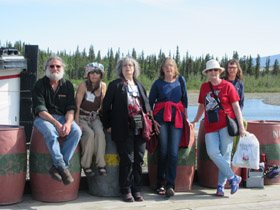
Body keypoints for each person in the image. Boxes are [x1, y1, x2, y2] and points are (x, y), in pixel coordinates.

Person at [190, 59, 246, 196]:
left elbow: (236, 107)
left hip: (226, 125)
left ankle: (220, 186)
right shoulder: (204, 87)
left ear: (220, 71)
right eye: (210, 70)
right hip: (210, 126)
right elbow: (202, 106)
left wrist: (241, 127)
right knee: (213, 152)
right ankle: (234, 178)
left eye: (215, 70)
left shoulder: (228, 86)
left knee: (226, 155)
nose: (213, 72)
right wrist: (196, 120)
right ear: (207, 73)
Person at [101, 56, 151, 202]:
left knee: (139, 159)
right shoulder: (115, 84)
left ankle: (137, 189)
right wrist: (108, 125)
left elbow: (146, 106)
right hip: (123, 128)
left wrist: (149, 123)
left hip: (140, 127)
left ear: (135, 68)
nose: (128, 68)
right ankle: (126, 190)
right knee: (127, 159)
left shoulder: (139, 85)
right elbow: (106, 107)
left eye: (130, 65)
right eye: (124, 66)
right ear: (120, 69)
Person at [32, 55, 82, 185]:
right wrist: (56, 123)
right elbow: (40, 110)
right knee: (50, 132)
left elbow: (70, 109)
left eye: (58, 66)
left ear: (62, 68)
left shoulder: (68, 85)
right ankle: (62, 166)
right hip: (43, 118)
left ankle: (57, 167)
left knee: (77, 131)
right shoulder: (39, 85)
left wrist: (69, 123)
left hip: (62, 117)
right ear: (46, 68)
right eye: (52, 66)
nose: (55, 68)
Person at [149, 57, 188, 197]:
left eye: (171, 65)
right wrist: (153, 121)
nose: (168, 68)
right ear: (162, 69)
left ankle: (170, 184)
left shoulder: (181, 81)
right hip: (161, 120)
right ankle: (160, 183)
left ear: (175, 68)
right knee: (163, 151)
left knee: (173, 152)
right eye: (166, 66)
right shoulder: (157, 83)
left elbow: (185, 100)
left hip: (177, 119)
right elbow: (150, 103)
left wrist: (186, 119)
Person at [75, 62, 107, 177]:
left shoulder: (103, 86)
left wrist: (107, 122)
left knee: (99, 133)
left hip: (95, 116)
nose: (94, 75)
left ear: (101, 75)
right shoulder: (83, 85)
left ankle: (101, 164)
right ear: (87, 74)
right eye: (92, 72)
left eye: (97, 72)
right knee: (89, 134)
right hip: (82, 115)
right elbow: (77, 106)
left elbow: (103, 106)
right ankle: (86, 164)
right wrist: (77, 123)